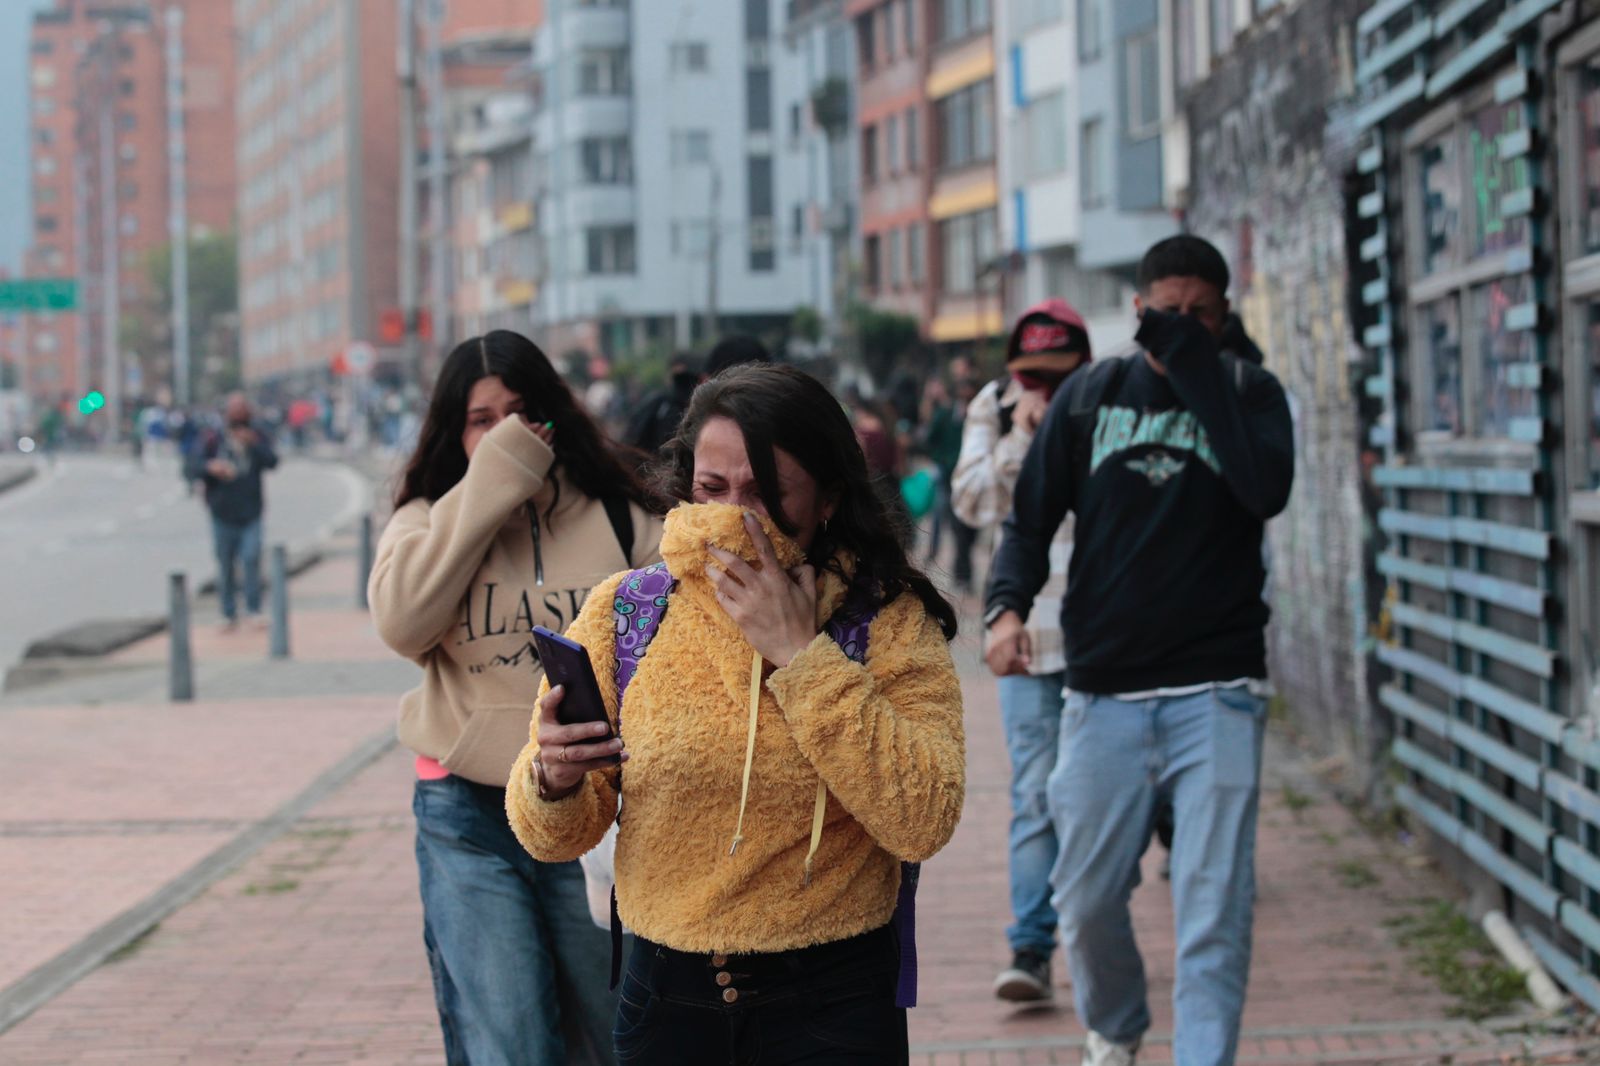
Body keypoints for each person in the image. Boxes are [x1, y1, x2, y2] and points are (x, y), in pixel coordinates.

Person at [506, 362, 966, 1065]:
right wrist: (555, 777)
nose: (731, 518)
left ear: (827, 499)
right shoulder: (628, 611)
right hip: (664, 997)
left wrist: (799, 655)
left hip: (835, 1000)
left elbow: (924, 815)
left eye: (765, 494)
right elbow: (553, 836)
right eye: (712, 489)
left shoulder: (886, 620)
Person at [985, 236, 1294, 1066]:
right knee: (1083, 899)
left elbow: (1265, 490)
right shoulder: (1090, 394)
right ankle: (1117, 1028)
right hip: (1104, 690)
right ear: (1138, 310)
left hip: (1218, 689)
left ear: (1224, 315)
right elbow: (1029, 519)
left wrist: (1196, 365)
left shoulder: (1248, 392)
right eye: (1169, 314)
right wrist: (1004, 610)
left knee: (1211, 906)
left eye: (1200, 314)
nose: (1184, 327)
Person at [368, 330, 665, 1066]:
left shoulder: (620, 516)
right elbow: (404, 624)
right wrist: (491, 486)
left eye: (519, 414)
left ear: (554, 417)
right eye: (480, 419)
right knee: (512, 1045)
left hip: (594, 815)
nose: (503, 433)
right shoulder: (424, 523)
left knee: (618, 1037)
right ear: (453, 430)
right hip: (466, 815)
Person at [952, 299, 1092, 1003]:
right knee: (1036, 792)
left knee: (1100, 795)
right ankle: (1032, 947)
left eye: (1057, 377)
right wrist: (1020, 439)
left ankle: (1097, 930)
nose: (1043, 390)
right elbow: (971, 501)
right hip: (1027, 634)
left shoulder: (1105, 401)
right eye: (1031, 377)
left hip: (1105, 635)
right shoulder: (994, 409)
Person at [184, 393, 279, 631]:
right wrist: (211, 467)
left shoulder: (257, 435)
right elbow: (191, 465)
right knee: (225, 563)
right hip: (221, 512)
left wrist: (253, 444)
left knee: (251, 558)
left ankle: (254, 608)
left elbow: (273, 461)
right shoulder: (213, 439)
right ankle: (227, 612)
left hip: (251, 511)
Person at [624, 353, 700, 456]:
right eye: (677, 379)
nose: (680, 385)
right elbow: (634, 436)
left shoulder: (702, 408)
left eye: (684, 379)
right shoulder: (658, 405)